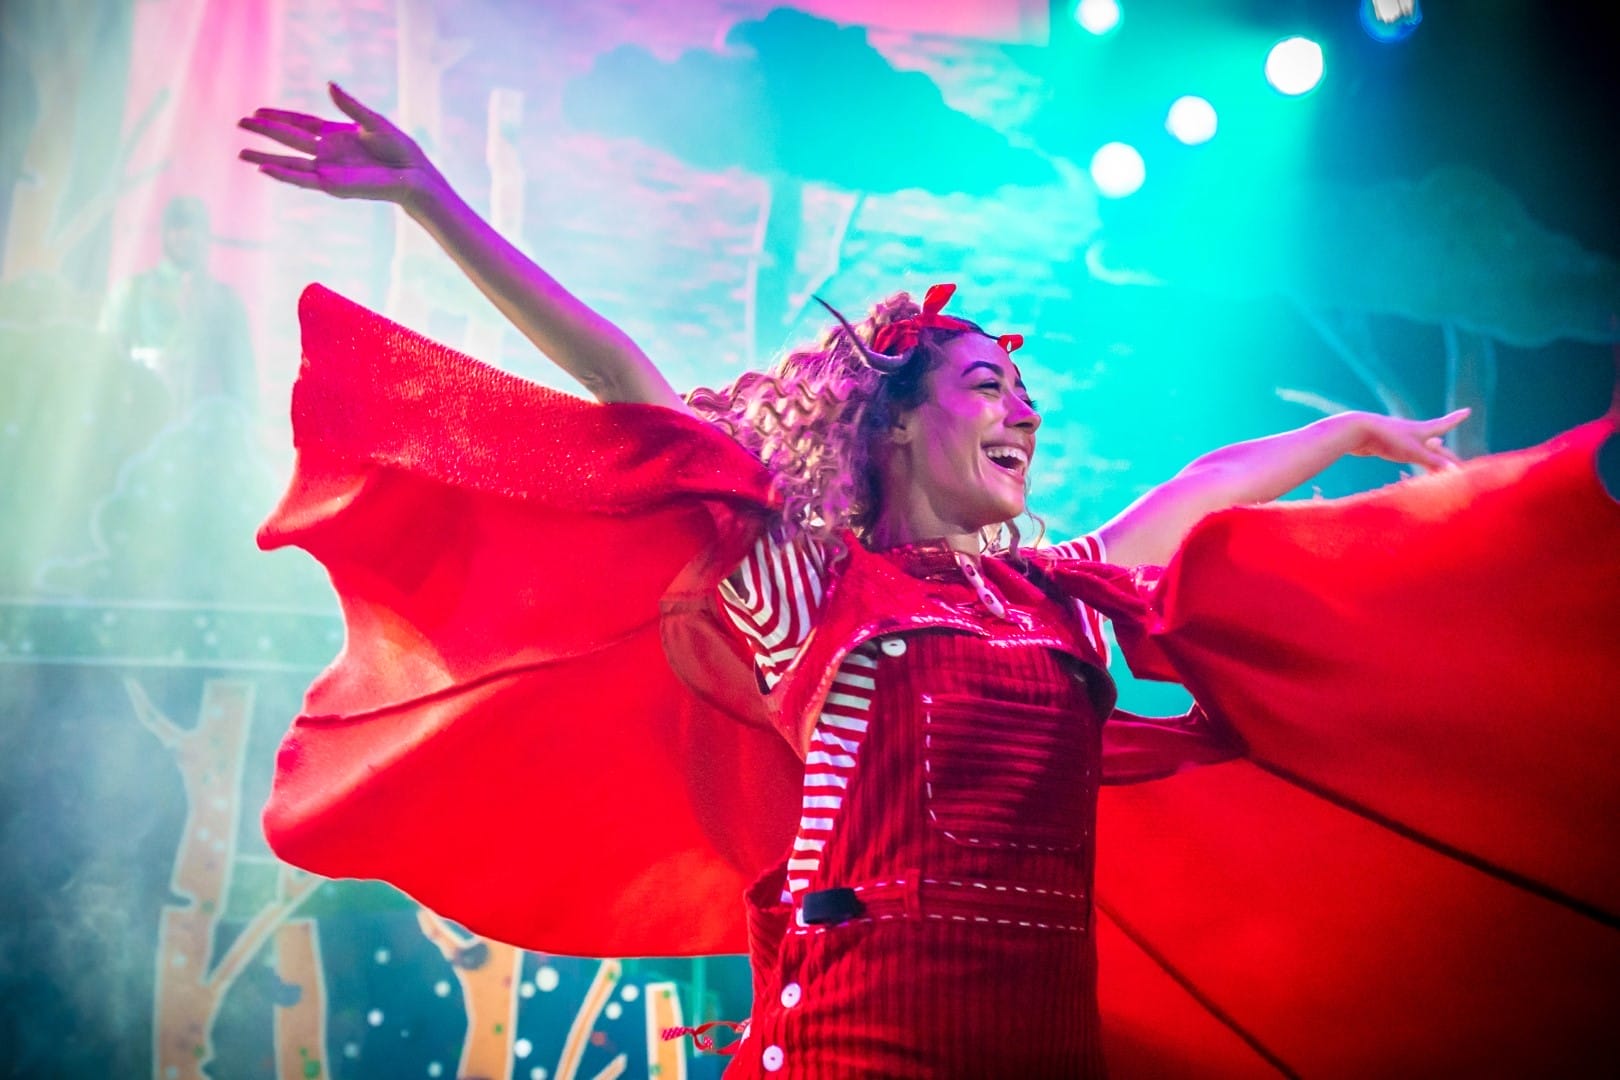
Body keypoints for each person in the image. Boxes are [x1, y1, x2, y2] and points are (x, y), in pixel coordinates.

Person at [240, 85, 1619, 1076]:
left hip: (1044, 1044)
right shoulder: (808, 586)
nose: (1021, 408)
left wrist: (1357, 436)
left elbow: (1195, 497)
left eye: (1028, 388)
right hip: (860, 1046)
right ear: (899, 422)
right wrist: (433, 202)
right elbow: (632, 387)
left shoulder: (1061, 592)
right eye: (985, 384)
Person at [101, 194, 257, 418]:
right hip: (139, 421)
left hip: (201, 429)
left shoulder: (226, 302)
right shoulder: (132, 292)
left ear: (206, 235)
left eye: (195, 227)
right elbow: (106, 364)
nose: (187, 235)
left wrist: (245, 431)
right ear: (165, 233)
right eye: (178, 225)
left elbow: (242, 381)